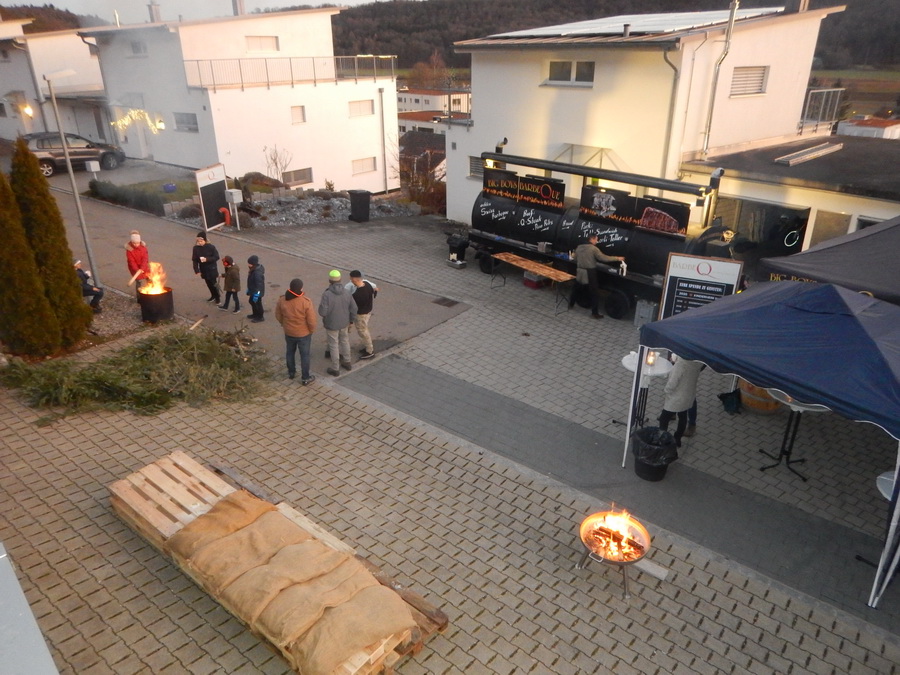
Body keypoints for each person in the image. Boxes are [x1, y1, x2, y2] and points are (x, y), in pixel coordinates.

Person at [570, 233, 624, 319]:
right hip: (590, 272)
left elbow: (575, 258)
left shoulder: (579, 247)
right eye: (596, 239)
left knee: (576, 288)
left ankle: (570, 304)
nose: (597, 241)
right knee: (594, 293)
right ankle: (595, 313)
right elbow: (603, 258)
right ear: (591, 239)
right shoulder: (593, 249)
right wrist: (617, 258)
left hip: (580, 271)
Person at [275, 278, 317, 385]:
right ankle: (305, 378)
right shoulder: (305, 302)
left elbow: (278, 315)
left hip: (289, 332)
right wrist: (311, 330)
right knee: (304, 355)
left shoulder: (282, 300)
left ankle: (291, 373)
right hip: (303, 333)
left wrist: (284, 324)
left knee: (290, 352)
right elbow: (311, 320)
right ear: (301, 288)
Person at [658, 355, 704, 447]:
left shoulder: (680, 365)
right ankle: (677, 439)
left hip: (676, 397)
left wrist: (667, 390)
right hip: (689, 395)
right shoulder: (697, 362)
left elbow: (673, 382)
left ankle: (663, 440)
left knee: (664, 419)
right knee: (683, 416)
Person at [318, 269, 357, 376]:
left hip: (331, 324)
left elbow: (322, 312)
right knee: (345, 341)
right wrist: (351, 320)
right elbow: (354, 308)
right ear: (340, 279)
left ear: (330, 280)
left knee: (333, 345)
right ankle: (347, 362)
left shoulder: (327, 294)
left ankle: (335, 368)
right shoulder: (347, 292)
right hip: (344, 322)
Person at [346, 270, 378, 359]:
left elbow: (353, 308)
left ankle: (369, 351)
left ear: (354, 279)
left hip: (361, 315)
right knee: (364, 330)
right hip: (368, 311)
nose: (351, 281)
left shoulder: (358, 295)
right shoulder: (367, 285)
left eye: (351, 279)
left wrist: (350, 320)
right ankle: (367, 347)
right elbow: (374, 290)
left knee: (363, 332)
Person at [191, 231, 221, 304]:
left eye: (201, 241)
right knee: (208, 284)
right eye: (198, 241)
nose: (200, 243)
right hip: (203, 269)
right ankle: (213, 295)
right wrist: (197, 270)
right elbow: (195, 260)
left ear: (205, 240)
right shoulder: (195, 248)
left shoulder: (211, 247)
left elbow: (216, 257)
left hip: (212, 269)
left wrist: (207, 259)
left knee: (213, 284)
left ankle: (217, 297)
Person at [125, 230, 150, 299]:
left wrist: (142, 268)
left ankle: (151, 292)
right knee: (138, 281)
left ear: (140, 241)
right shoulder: (129, 250)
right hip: (135, 269)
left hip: (144, 266)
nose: (136, 244)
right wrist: (137, 270)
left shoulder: (143, 248)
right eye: (134, 243)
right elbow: (131, 261)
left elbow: (145, 258)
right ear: (131, 242)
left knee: (149, 278)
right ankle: (139, 298)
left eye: (137, 243)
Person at [246, 255, 265, 322]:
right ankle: (255, 314)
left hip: (257, 292)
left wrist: (257, 294)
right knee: (252, 301)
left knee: (257, 303)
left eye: (250, 263)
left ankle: (260, 317)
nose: (248, 265)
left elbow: (259, 285)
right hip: (253, 290)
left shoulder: (257, 273)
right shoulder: (253, 270)